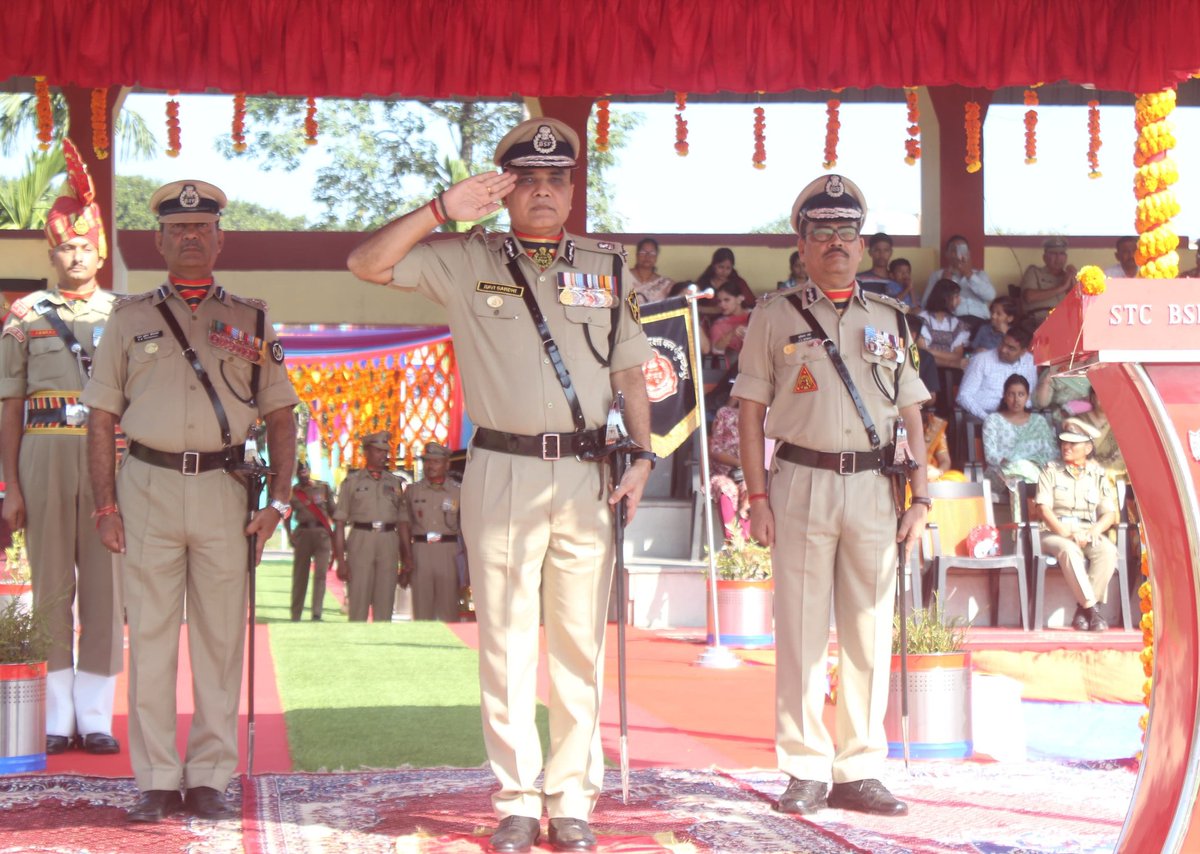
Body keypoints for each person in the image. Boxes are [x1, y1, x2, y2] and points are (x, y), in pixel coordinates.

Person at [346, 117, 654, 854]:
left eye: (557, 180)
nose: (543, 192)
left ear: (573, 190)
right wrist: (439, 211)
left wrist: (642, 455)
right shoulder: (463, 257)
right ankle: (518, 797)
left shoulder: (607, 269)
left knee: (578, 645)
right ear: (505, 189)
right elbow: (365, 263)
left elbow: (629, 373)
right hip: (501, 468)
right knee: (507, 642)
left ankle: (572, 796)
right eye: (528, 181)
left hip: (586, 475)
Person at [83, 179, 299, 822]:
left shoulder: (252, 319)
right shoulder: (128, 318)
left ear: (220, 238)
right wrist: (105, 505)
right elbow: (100, 419)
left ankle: (208, 774)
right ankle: (155, 777)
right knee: (148, 637)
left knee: (219, 639)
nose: (190, 238)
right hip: (144, 487)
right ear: (159, 240)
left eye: (202, 228)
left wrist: (280, 501)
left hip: (224, 492)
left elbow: (282, 414)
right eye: (178, 229)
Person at [734, 174, 930, 818]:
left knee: (871, 629)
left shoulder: (891, 318)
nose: (838, 244)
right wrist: (756, 495)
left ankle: (859, 768)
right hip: (800, 483)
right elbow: (750, 408)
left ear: (862, 243)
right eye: (824, 233)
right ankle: (805, 767)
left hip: (876, 488)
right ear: (803, 242)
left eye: (848, 233)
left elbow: (912, 412)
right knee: (799, 629)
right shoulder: (773, 315)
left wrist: (922, 497)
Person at [0, 139, 122, 756]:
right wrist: (10, 486)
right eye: (64, 246)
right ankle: (56, 716)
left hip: (110, 460)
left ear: (100, 249)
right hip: (42, 452)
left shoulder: (126, 314)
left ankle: (96, 717)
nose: (74, 255)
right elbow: (9, 403)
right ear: (52, 253)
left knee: (105, 587)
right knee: (51, 585)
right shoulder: (24, 315)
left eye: (83, 244)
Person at [1035, 419, 1119, 632]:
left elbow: (1109, 513)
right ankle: (1092, 610)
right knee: (1070, 550)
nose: (1066, 447)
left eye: (1073, 444)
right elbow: (1043, 509)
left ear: (1088, 448)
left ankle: (1082, 612)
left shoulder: (1097, 474)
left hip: (1087, 530)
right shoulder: (1051, 470)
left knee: (1108, 551)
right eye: (1064, 442)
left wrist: (1094, 531)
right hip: (1055, 532)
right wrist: (1067, 534)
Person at [332, 431, 404, 622]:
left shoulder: (394, 482)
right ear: (366, 452)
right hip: (361, 539)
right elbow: (339, 523)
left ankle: (381, 647)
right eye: (378, 450)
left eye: (385, 451)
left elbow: (403, 522)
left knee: (385, 602)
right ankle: (358, 646)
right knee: (358, 601)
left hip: (388, 539)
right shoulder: (352, 482)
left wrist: (407, 559)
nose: (383, 455)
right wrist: (341, 560)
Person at [398, 441, 462, 622]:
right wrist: (406, 557)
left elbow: (466, 526)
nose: (430, 466)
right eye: (427, 461)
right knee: (421, 607)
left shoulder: (458, 492)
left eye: (436, 462)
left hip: (448, 551)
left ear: (447, 464)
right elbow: (404, 524)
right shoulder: (412, 491)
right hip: (420, 551)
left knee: (449, 608)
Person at [982, 374, 1057, 499]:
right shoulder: (993, 421)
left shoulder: (1038, 421)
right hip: (1000, 473)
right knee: (1017, 477)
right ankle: (1024, 516)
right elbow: (990, 456)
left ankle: (1023, 516)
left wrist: (1032, 462)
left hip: (1033, 471)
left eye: (1021, 394)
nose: (1016, 400)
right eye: (1011, 394)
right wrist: (1011, 460)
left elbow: (1051, 453)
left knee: (1022, 475)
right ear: (1005, 397)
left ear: (1027, 397)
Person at [956, 323, 1038, 423]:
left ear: (1023, 352)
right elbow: (963, 396)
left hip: (1020, 417)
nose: (1003, 350)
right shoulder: (981, 360)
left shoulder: (1030, 362)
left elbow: (1030, 395)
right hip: (985, 417)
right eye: (1003, 343)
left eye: (1011, 348)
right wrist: (987, 418)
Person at [286, 461, 334, 621]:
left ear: (310, 471)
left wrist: (337, 534)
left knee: (320, 575)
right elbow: (286, 515)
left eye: (305, 470)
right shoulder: (293, 492)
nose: (303, 474)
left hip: (322, 534)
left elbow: (333, 512)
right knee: (300, 576)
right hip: (303, 534)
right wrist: (289, 534)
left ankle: (316, 613)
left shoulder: (323, 488)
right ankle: (296, 614)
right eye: (300, 472)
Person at [922, 234, 994, 329]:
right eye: (953, 250)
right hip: (954, 321)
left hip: (981, 321)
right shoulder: (938, 275)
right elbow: (926, 304)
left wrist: (969, 274)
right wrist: (944, 282)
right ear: (946, 254)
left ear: (968, 253)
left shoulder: (980, 274)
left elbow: (990, 296)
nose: (958, 254)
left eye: (962, 250)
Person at [708, 396, 748, 540]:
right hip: (724, 471)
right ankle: (733, 541)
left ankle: (748, 544)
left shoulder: (764, 416)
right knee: (725, 487)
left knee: (751, 489)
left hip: (750, 474)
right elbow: (715, 451)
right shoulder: (726, 414)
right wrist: (739, 463)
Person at [1020, 236, 1077, 326]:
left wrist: (1073, 279)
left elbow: (1078, 303)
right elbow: (1029, 297)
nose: (1058, 258)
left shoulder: (1068, 277)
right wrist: (1062, 287)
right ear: (1044, 257)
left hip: (1065, 321)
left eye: (1062, 253)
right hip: (1039, 320)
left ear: (1066, 257)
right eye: (1054, 254)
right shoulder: (1034, 272)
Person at [916, 278, 971, 372]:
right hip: (925, 369)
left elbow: (957, 355)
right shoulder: (922, 318)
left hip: (949, 371)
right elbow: (921, 354)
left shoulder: (957, 324)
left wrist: (930, 351)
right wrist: (951, 362)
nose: (959, 300)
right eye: (956, 296)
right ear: (945, 297)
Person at [696, 247, 755, 323]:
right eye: (721, 267)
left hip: (735, 322)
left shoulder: (738, 282)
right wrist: (712, 310)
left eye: (728, 268)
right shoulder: (703, 282)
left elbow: (751, 304)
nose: (724, 271)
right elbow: (694, 306)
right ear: (714, 265)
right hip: (708, 323)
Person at [707, 281, 752, 356]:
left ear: (740, 299)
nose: (722, 304)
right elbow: (716, 349)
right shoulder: (719, 324)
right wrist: (733, 332)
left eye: (726, 300)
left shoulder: (755, 316)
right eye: (719, 301)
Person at [857, 232, 904, 300]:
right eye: (877, 250)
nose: (882, 254)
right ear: (870, 252)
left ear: (891, 252)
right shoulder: (860, 279)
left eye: (886, 250)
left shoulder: (897, 279)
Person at [629, 237, 674, 305]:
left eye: (652, 253)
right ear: (637, 255)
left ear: (656, 257)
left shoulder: (666, 284)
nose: (647, 256)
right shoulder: (623, 276)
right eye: (643, 252)